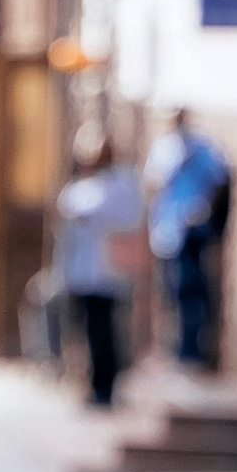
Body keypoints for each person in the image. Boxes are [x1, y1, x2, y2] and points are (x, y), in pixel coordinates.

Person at [54, 130, 141, 407]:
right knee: (87, 331)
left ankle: (105, 387)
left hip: (107, 273)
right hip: (82, 274)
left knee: (105, 333)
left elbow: (111, 213)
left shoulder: (120, 184)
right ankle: (88, 382)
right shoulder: (81, 186)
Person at [144, 115, 233, 368]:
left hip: (192, 227)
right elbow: (155, 182)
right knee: (173, 291)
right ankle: (176, 348)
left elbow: (220, 179)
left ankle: (190, 352)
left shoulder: (203, 148)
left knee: (190, 290)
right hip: (170, 230)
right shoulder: (165, 147)